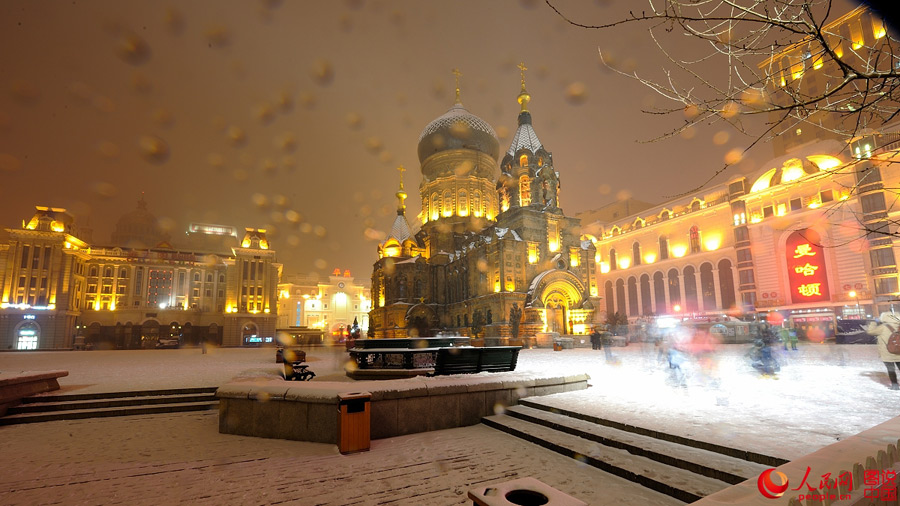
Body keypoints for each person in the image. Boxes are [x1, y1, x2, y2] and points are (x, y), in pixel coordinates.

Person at [866, 312, 900, 390]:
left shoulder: (883, 327)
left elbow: (870, 332)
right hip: (899, 351)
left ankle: (895, 385)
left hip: (888, 352)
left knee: (891, 369)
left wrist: (874, 322)